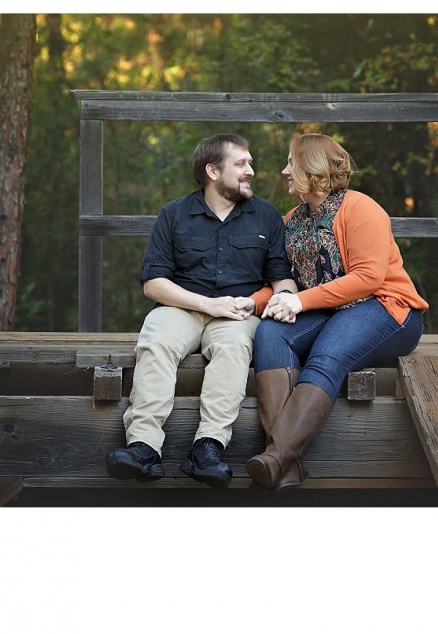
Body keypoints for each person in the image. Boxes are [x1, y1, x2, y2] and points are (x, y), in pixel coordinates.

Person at [105, 133, 297, 489]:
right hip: (184, 307)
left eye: (250, 163)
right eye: (241, 164)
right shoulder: (175, 213)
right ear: (212, 170)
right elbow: (154, 284)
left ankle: (207, 449)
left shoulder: (267, 216)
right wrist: (207, 304)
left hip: (239, 313)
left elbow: (281, 279)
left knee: (235, 347)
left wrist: (282, 299)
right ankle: (143, 448)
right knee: (156, 337)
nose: (251, 171)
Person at [245, 133, 429, 493]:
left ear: (311, 169)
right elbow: (284, 282)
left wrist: (299, 302)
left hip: (388, 309)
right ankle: (285, 462)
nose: (284, 171)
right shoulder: (291, 221)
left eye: (290, 163)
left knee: (327, 352)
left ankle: (275, 455)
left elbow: (368, 278)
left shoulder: (361, 208)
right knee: (269, 332)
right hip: (330, 311)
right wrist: (253, 303)